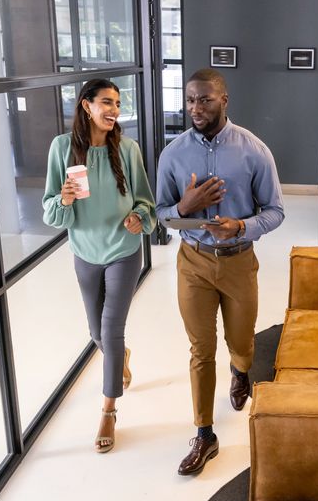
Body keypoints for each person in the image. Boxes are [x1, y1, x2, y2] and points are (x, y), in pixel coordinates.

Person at [155, 68, 285, 476]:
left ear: (224, 100)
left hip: (239, 260)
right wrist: (184, 207)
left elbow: (275, 211)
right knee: (200, 349)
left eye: (205, 100)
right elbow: (161, 215)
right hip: (192, 263)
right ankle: (204, 433)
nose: (196, 107)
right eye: (190, 99)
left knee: (241, 341)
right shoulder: (172, 154)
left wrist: (241, 226)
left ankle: (241, 370)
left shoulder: (254, 150)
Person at [43, 78, 156, 453]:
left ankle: (109, 408)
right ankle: (119, 356)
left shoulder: (127, 149)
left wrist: (140, 218)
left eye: (118, 104)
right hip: (85, 251)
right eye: (106, 102)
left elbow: (145, 201)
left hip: (124, 250)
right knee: (97, 333)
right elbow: (51, 214)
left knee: (111, 328)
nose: (114, 110)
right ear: (86, 105)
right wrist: (63, 198)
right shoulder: (61, 148)